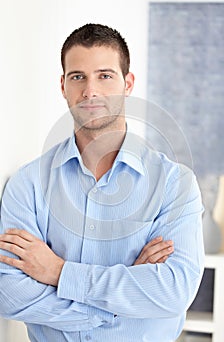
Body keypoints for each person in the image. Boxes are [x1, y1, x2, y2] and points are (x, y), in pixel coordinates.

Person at [0, 23, 204, 342]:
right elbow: (9, 292)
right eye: (78, 76)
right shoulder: (28, 183)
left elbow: (174, 290)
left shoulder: (175, 184)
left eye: (105, 76)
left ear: (128, 83)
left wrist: (58, 272)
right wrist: (118, 303)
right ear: (63, 85)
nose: (90, 91)